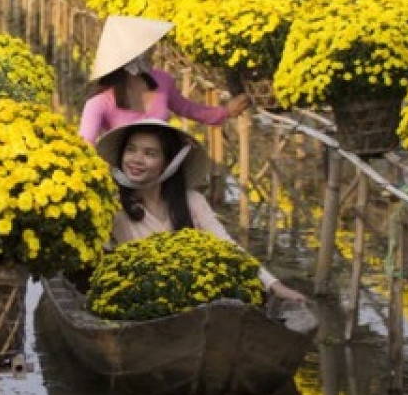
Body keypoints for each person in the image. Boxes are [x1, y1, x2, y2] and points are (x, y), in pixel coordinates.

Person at [95, 118, 306, 303]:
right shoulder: (113, 207)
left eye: (150, 154)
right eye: (131, 149)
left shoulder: (192, 201)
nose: (136, 160)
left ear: (167, 163)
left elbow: (227, 246)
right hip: (141, 300)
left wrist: (274, 285)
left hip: (192, 296)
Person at [79, 15, 249, 144]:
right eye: (147, 48)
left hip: (160, 167)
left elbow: (187, 108)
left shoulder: (162, 81)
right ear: (132, 58)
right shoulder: (99, 103)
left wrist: (225, 112)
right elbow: (86, 146)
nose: (154, 51)